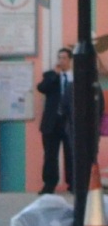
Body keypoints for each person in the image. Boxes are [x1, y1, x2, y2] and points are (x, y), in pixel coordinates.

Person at [37, 47, 74, 194]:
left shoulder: (76, 77)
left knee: (71, 154)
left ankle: (72, 184)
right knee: (50, 155)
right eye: (59, 58)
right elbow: (41, 88)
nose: (61, 61)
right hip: (52, 122)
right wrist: (55, 76)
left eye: (64, 58)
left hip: (69, 122)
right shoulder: (51, 75)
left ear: (70, 60)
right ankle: (49, 184)